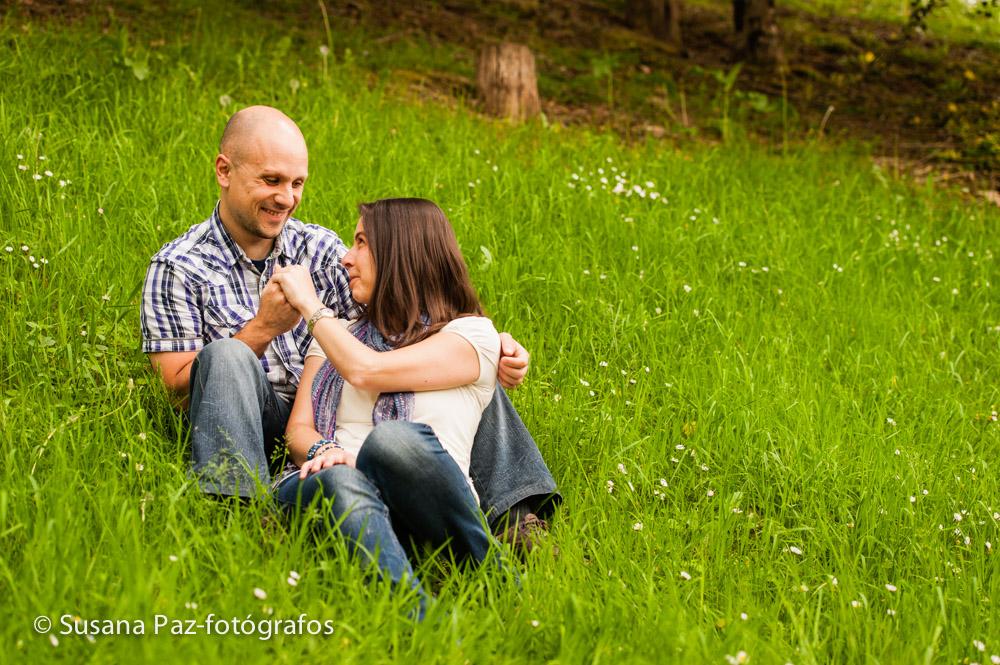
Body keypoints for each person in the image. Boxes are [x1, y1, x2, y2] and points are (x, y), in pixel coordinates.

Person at [139, 105, 559, 545]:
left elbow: (400, 318)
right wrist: (261, 330)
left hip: (334, 407)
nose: (286, 197)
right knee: (226, 354)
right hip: (253, 420)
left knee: (461, 358)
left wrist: (494, 344)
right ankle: (239, 516)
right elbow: (175, 389)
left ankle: (516, 515)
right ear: (224, 171)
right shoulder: (178, 267)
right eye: (271, 180)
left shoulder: (317, 247)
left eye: (296, 183)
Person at [270, 197, 509, 613]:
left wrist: (311, 305)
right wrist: (324, 450)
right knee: (342, 479)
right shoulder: (338, 335)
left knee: (394, 441)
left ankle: (493, 575)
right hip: (341, 486)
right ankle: (420, 620)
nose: (346, 258)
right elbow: (299, 428)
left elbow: (366, 371)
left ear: (402, 252)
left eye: (361, 242)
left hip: (432, 502)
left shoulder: (473, 336)